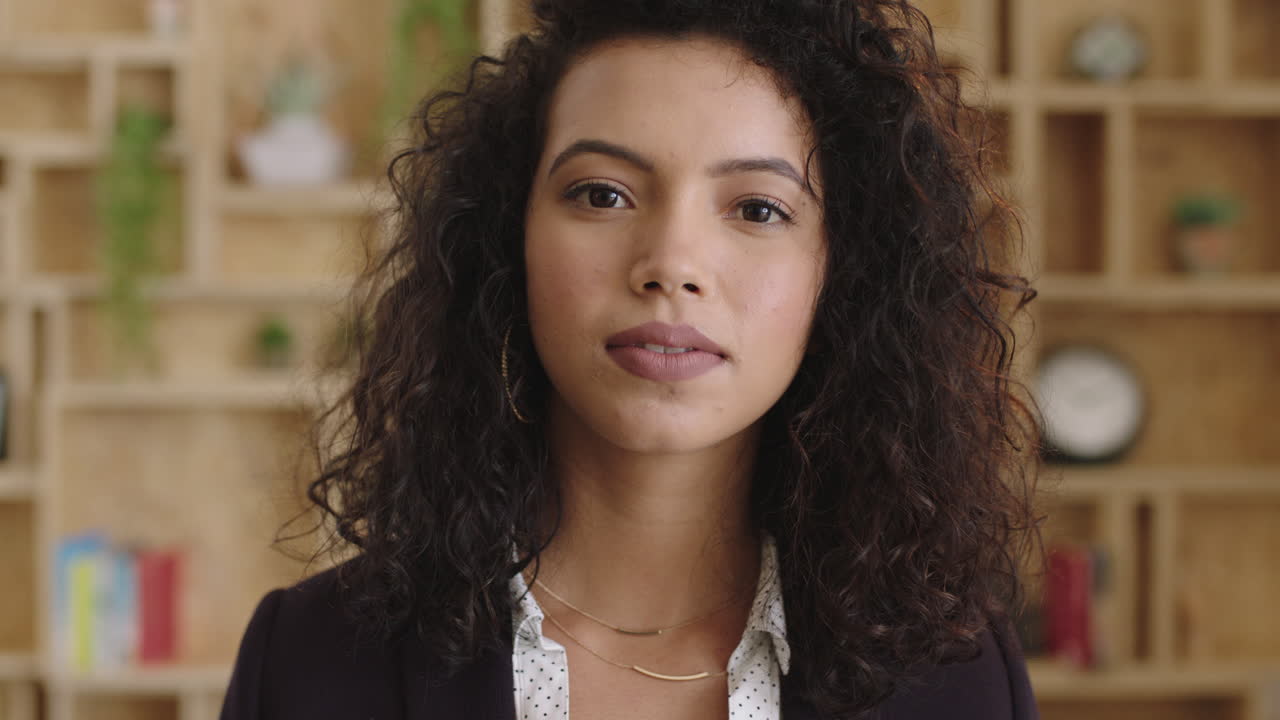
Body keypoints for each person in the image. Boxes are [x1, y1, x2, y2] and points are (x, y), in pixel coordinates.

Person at [220, 0, 1045, 718]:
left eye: (758, 208)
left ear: (843, 276)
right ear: (508, 243)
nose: (671, 262)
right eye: (602, 194)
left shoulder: (957, 680)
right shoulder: (310, 662)